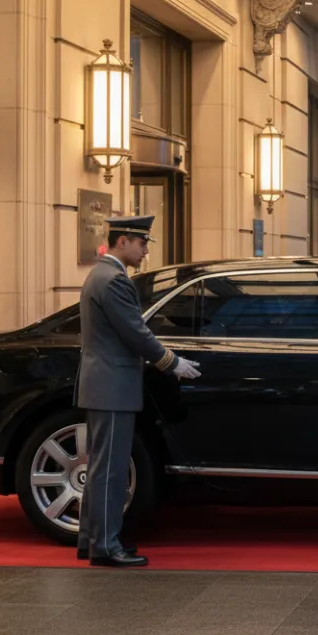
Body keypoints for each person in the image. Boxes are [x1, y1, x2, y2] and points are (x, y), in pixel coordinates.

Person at [73, 214, 200, 567]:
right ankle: (107, 546)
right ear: (123, 241)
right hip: (112, 386)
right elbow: (135, 333)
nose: (145, 250)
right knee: (110, 471)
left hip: (105, 384)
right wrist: (172, 362)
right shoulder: (113, 280)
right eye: (142, 243)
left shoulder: (101, 275)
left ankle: (91, 540)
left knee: (102, 468)